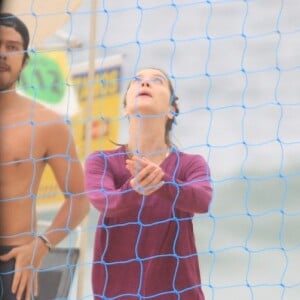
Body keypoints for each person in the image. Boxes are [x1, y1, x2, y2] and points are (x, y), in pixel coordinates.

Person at [85, 67, 213, 299]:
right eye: (137, 81)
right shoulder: (101, 161)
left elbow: (202, 200)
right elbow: (105, 201)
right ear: (125, 109)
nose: (145, 84)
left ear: (172, 110)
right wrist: (136, 188)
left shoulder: (190, 164)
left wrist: (163, 184)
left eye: (157, 81)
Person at [0, 13, 90, 300]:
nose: (3, 53)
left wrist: (41, 246)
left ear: (25, 61)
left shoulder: (47, 123)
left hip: (15, 262)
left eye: (13, 47)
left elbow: (80, 198)